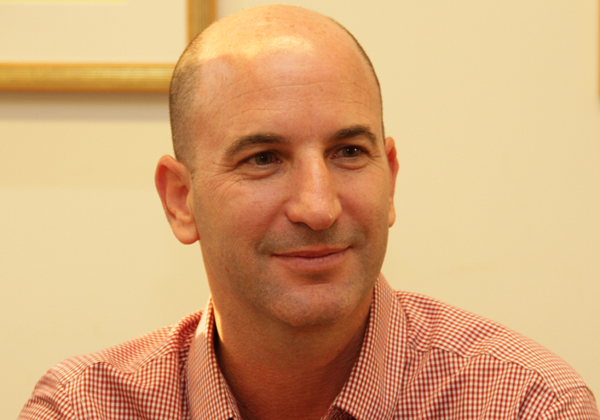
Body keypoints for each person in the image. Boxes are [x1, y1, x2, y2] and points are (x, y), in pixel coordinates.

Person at [19, 5, 598, 420]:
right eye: (263, 159)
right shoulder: (85, 407)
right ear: (180, 200)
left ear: (390, 178)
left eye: (349, 152)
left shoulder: (526, 403)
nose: (319, 207)